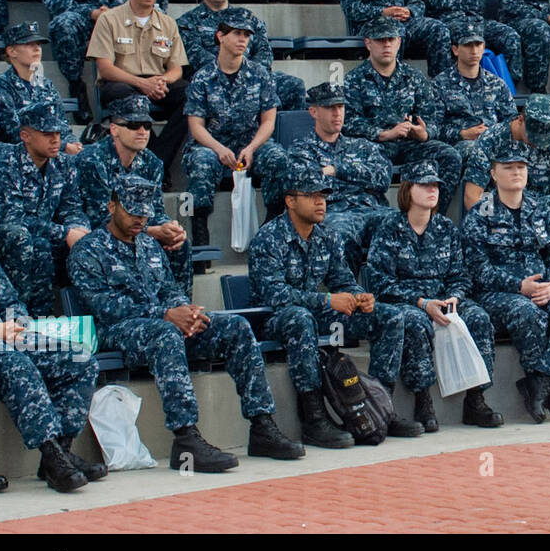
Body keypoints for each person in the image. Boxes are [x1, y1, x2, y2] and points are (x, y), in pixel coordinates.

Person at [71, 174, 304, 469]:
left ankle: (262, 425)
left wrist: (186, 311)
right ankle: (185, 437)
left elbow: (168, 290)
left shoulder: (149, 247)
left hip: (158, 324)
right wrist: (166, 315)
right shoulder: (89, 250)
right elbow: (105, 306)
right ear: (112, 206)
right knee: (166, 333)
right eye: (132, 211)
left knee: (234, 328)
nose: (139, 219)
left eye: (144, 213)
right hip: (115, 330)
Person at [248, 164, 424, 446]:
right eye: (312, 195)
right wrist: (329, 299)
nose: (321, 201)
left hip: (315, 312)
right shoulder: (269, 238)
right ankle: (314, 418)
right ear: (290, 201)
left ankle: (380, 407)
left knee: (389, 316)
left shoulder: (327, 236)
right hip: (275, 319)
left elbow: (342, 279)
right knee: (299, 317)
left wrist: (358, 296)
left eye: (324, 195)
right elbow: (274, 294)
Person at [363, 161, 505, 430]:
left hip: (443, 299)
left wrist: (455, 297)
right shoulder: (388, 229)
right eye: (424, 184)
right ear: (407, 189)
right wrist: (421, 302)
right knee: (415, 322)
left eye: (435, 185)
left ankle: (476, 399)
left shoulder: (446, 228)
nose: (432, 190)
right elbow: (380, 282)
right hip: (407, 301)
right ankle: (422, 398)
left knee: (478, 317)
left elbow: (461, 275)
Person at [461, 144, 550, 422]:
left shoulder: (541, 209)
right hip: (497, 293)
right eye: (508, 167)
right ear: (494, 174)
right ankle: (542, 384)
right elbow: (476, 269)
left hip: (542, 288)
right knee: (526, 311)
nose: (516, 172)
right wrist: (518, 285)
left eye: (521, 167)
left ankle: (541, 381)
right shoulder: (480, 214)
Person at [0, 251, 102, 492]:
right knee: (17, 364)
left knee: (81, 361)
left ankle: (62, 451)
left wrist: (17, 324)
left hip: (7, 336)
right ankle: (52, 454)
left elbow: (10, 301)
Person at [183, 7, 285, 245]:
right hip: (213, 146)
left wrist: (251, 147)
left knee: (279, 158)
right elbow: (196, 126)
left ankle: (270, 230)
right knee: (201, 160)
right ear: (220, 36)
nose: (243, 40)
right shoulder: (203, 76)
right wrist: (219, 149)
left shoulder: (260, 74)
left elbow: (268, 121)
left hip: (251, 144)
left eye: (247, 35)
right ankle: (200, 234)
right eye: (237, 34)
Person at [462, 95, 550, 287]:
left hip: (535, 214)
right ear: (521, 119)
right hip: (498, 210)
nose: (536, 142)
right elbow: (472, 195)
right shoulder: (492, 140)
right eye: (533, 135)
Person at [74, 94, 190, 289]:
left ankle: (183, 308)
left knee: (179, 244)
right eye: (134, 125)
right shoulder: (92, 160)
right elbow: (100, 217)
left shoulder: (152, 162)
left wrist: (169, 227)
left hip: (138, 230)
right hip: (99, 234)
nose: (142, 131)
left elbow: (156, 210)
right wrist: (152, 231)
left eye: (146, 125)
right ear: (114, 129)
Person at [343, 17, 462, 206]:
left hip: (409, 144)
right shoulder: (354, 79)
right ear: (368, 43)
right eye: (380, 40)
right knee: (359, 159)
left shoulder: (414, 77)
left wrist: (424, 133)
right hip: (374, 145)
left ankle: (435, 215)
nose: (387, 45)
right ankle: (380, 214)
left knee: (450, 156)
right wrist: (384, 134)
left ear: (399, 42)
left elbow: (431, 118)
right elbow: (348, 122)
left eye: (391, 39)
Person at [0, 101, 87, 316]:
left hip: (45, 236)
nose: (55, 140)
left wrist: (78, 229)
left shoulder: (64, 164)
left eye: (58, 133)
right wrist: (64, 233)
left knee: (90, 240)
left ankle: (82, 320)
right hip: (6, 238)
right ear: (25, 135)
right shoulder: (4, 164)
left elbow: (72, 208)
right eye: (46, 133)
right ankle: (22, 315)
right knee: (26, 239)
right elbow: (13, 218)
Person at [87, 0, 189, 168]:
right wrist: (142, 84)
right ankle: (157, 165)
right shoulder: (109, 20)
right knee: (128, 96)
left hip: (157, 82)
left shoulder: (167, 23)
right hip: (121, 82)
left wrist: (161, 81)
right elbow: (105, 68)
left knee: (192, 96)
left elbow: (176, 67)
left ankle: (158, 160)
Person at [283, 82, 395, 272]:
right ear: (313, 111)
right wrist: (360, 175)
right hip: (333, 212)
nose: (337, 113)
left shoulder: (362, 146)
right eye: (329, 107)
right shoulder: (301, 150)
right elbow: (309, 184)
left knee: (400, 223)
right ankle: (349, 294)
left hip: (370, 209)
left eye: (341, 107)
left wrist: (337, 170)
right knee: (339, 233)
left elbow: (383, 179)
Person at [178, 0, 306, 110]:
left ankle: (285, 133)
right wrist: (233, 73)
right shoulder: (187, 22)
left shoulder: (247, 17)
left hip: (253, 76)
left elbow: (264, 51)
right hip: (215, 80)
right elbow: (197, 58)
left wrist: (250, 73)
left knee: (294, 86)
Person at [432, 21, 518, 163]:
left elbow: (511, 121)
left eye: (478, 45)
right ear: (455, 49)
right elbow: (433, 128)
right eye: (467, 45)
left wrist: (492, 134)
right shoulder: (439, 84)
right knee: (474, 150)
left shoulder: (497, 84)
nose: (474, 50)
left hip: (493, 142)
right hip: (458, 147)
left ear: (484, 48)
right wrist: (461, 134)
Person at [0, 21, 80, 151]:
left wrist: (74, 143)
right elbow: (15, 133)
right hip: (16, 157)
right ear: (12, 51)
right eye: (29, 44)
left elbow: (62, 125)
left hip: (51, 153)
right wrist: (63, 146)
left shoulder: (46, 85)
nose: (37, 48)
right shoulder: (0, 88)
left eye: (38, 44)